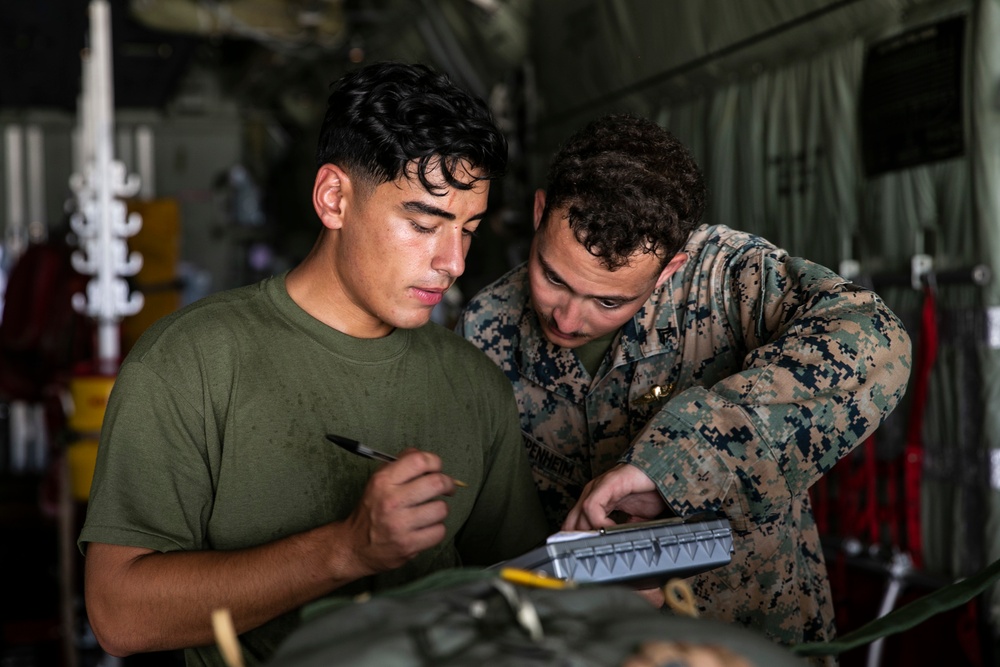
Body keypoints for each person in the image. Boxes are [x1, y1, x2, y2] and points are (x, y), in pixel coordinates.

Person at [79, 61, 548, 666]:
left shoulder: (474, 384)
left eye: (469, 229)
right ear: (334, 199)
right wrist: (346, 549)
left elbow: (523, 595)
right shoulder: (193, 361)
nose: (453, 261)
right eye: (424, 223)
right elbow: (119, 615)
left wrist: (593, 565)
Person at [458, 113, 912, 654]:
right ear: (539, 213)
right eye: (552, 276)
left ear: (670, 269)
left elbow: (876, 342)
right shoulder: (487, 329)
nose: (569, 318)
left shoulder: (722, 278)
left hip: (749, 644)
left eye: (610, 301)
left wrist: (680, 462)